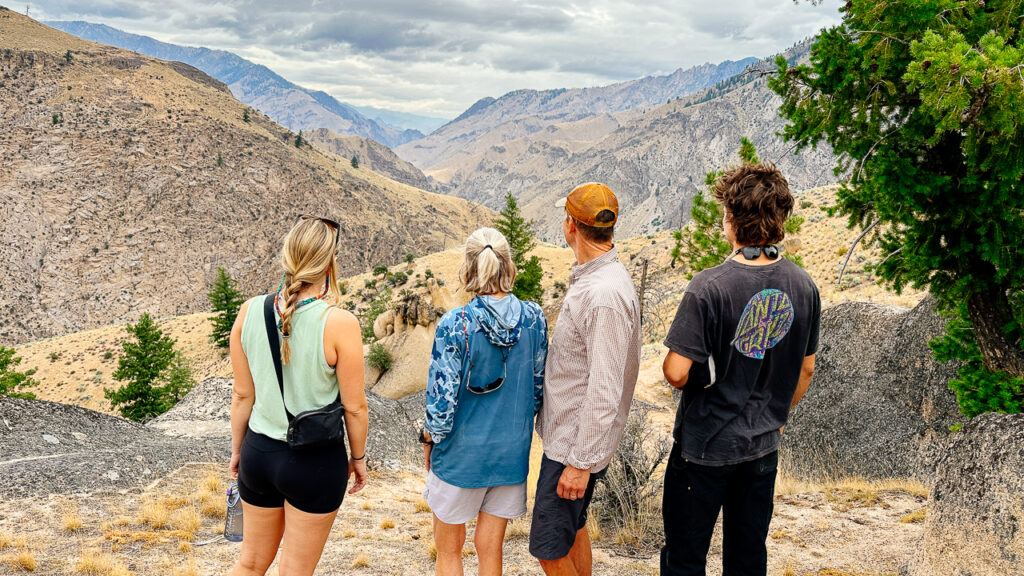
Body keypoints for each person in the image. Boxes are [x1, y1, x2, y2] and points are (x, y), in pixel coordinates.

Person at [659, 162, 820, 576]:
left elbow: (677, 372)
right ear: (779, 219)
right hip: (763, 447)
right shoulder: (803, 285)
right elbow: (806, 370)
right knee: (748, 558)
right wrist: (777, 417)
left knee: (685, 559)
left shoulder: (708, 287)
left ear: (732, 217)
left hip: (704, 448)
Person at [227, 215, 369, 576]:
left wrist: (237, 452)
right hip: (314, 462)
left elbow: (242, 396)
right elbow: (354, 407)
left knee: (250, 563)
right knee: (295, 570)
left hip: (258, 455)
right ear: (330, 262)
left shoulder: (249, 311)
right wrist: (359, 458)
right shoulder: (340, 323)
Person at [420, 226, 548, 576]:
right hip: (510, 453)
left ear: (468, 267)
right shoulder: (535, 319)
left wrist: (429, 439)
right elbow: (536, 392)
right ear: (508, 265)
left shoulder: (455, 324)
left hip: (462, 455)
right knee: (490, 550)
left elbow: (441, 407)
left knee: (449, 551)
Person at [529, 182, 642, 576]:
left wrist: (579, 463)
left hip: (572, 447)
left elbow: (605, 388)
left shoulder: (603, 294)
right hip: (574, 441)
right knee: (573, 529)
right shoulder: (599, 277)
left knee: (547, 546)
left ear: (571, 227)